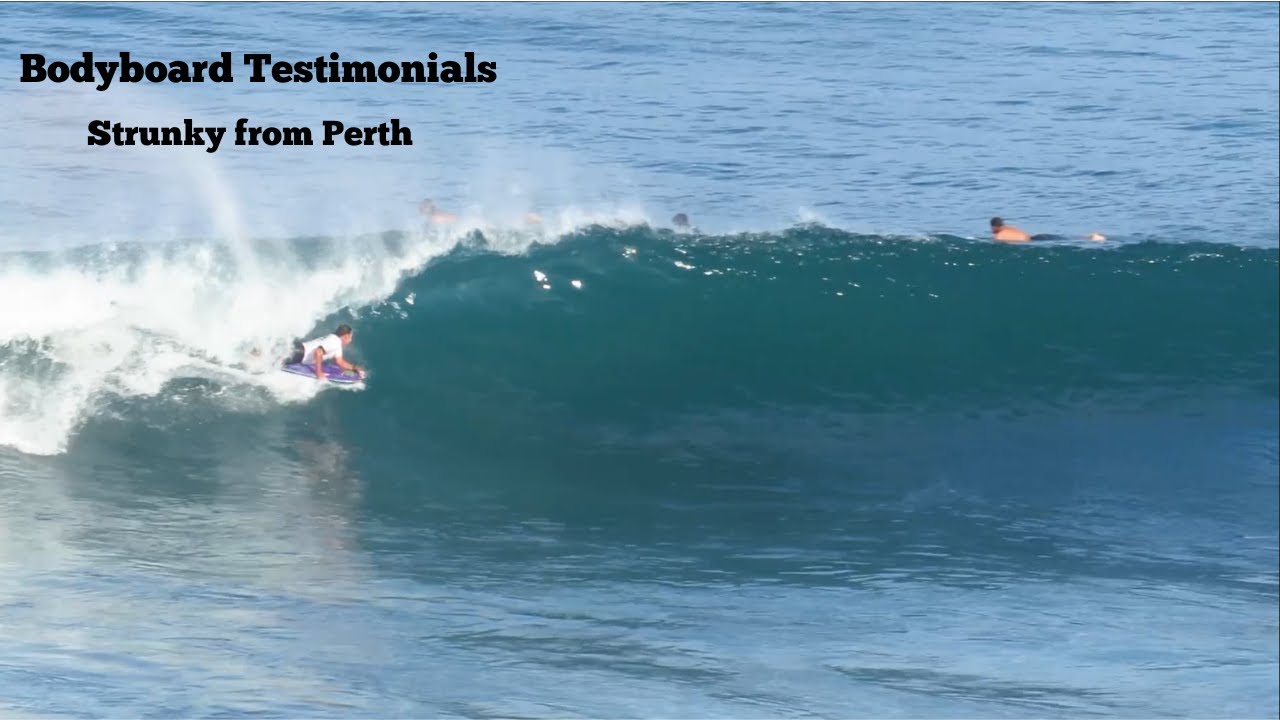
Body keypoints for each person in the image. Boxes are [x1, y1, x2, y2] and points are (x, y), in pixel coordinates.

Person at [286, 324, 365, 381]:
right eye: (350, 337)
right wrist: (319, 373)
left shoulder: (336, 342)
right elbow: (318, 352)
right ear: (346, 336)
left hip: (297, 350)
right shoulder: (335, 342)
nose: (350, 340)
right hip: (296, 354)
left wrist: (355, 369)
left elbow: (340, 362)